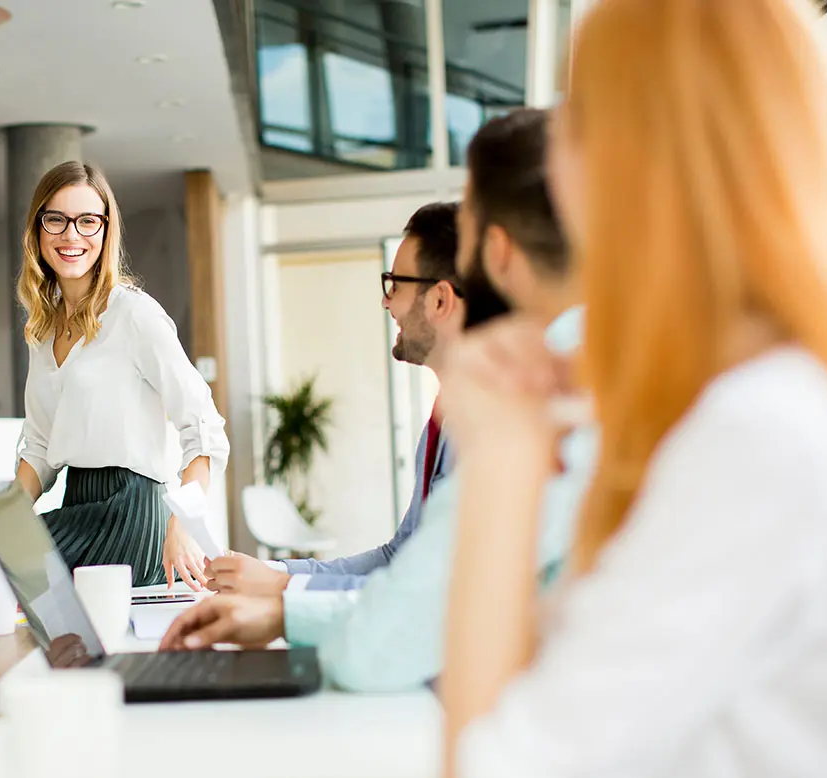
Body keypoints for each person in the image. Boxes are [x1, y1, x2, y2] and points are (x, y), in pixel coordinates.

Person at [437, 1, 827, 778]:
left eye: (581, 115)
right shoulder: (762, 403)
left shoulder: (762, 435)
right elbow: (553, 694)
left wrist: (506, 458)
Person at [160, 109, 582, 696]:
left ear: (497, 251)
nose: (387, 303)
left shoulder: (539, 398)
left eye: (395, 285)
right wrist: (283, 590)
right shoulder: (551, 382)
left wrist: (284, 606)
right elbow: (414, 570)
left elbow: (410, 626)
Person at [206, 202, 507, 596]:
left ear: (439, 300)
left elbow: (435, 591)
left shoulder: (493, 427)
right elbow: (399, 557)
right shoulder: (445, 418)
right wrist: (273, 572)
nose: (386, 302)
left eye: (395, 285)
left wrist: (284, 588)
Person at [12, 160, 227, 589]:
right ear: (37, 230)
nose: (71, 236)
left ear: (106, 231)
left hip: (132, 510)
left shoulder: (134, 314)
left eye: (87, 221)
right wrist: (0, 522)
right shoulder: (42, 330)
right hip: (78, 503)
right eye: (56, 220)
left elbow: (203, 426)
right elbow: (38, 445)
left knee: (13, 585)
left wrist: (182, 523)